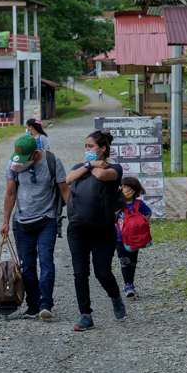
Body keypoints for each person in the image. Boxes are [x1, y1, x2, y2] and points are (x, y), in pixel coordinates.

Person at [1, 135, 70, 320]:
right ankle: (32, 306)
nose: (22, 163)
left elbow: (64, 189)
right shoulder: (14, 164)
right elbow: (10, 193)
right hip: (22, 222)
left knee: (46, 260)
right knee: (27, 266)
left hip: (47, 219)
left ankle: (46, 303)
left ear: (35, 152)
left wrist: (74, 216)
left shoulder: (51, 161)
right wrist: (6, 220)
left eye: (26, 159)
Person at [65, 130, 127, 331]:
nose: (87, 150)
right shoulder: (81, 167)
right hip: (77, 229)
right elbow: (68, 179)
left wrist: (92, 166)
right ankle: (85, 315)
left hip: (102, 230)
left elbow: (101, 174)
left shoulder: (115, 168)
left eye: (91, 147)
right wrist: (89, 164)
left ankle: (116, 297)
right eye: (86, 146)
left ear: (103, 149)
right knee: (80, 274)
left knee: (102, 273)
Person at [116, 177, 152, 299]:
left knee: (132, 262)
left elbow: (148, 212)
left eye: (125, 187)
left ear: (133, 190)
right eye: (121, 187)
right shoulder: (118, 203)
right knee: (124, 261)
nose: (122, 189)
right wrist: (118, 208)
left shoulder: (138, 204)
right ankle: (128, 286)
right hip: (119, 238)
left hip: (134, 239)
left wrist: (143, 224)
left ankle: (131, 284)